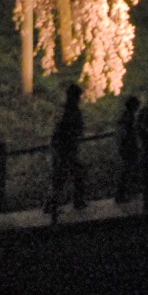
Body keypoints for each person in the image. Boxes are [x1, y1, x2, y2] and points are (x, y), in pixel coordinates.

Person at [46, 86, 86, 218]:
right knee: (64, 176)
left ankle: (52, 204)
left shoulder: (64, 110)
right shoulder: (71, 111)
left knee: (61, 176)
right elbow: (71, 130)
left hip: (62, 147)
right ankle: (57, 204)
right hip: (66, 148)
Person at [114, 95, 140, 205]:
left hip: (127, 146)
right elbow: (128, 133)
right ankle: (122, 194)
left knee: (128, 170)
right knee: (128, 170)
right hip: (129, 147)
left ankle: (125, 193)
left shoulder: (125, 117)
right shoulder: (128, 118)